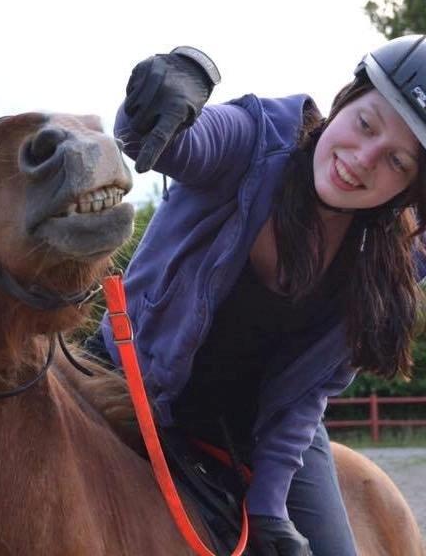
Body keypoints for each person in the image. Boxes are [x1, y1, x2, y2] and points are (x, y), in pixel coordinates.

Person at [90, 36, 426, 555]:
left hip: (262, 427)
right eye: (365, 124)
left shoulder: (382, 266)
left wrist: (268, 507)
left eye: (398, 161)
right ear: (345, 101)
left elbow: (304, 397)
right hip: (125, 380)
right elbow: (168, 141)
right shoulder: (252, 139)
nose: (363, 160)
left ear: (407, 191)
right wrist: (166, 89)